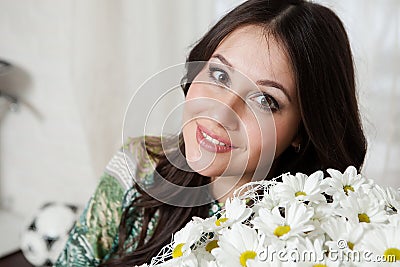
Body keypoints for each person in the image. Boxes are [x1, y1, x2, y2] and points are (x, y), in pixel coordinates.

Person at [54, 0, 367, 266]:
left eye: (265, 100)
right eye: (220, 74)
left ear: (303, 130)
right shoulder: (139, 163)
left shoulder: (311, 237)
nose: (221, 112)